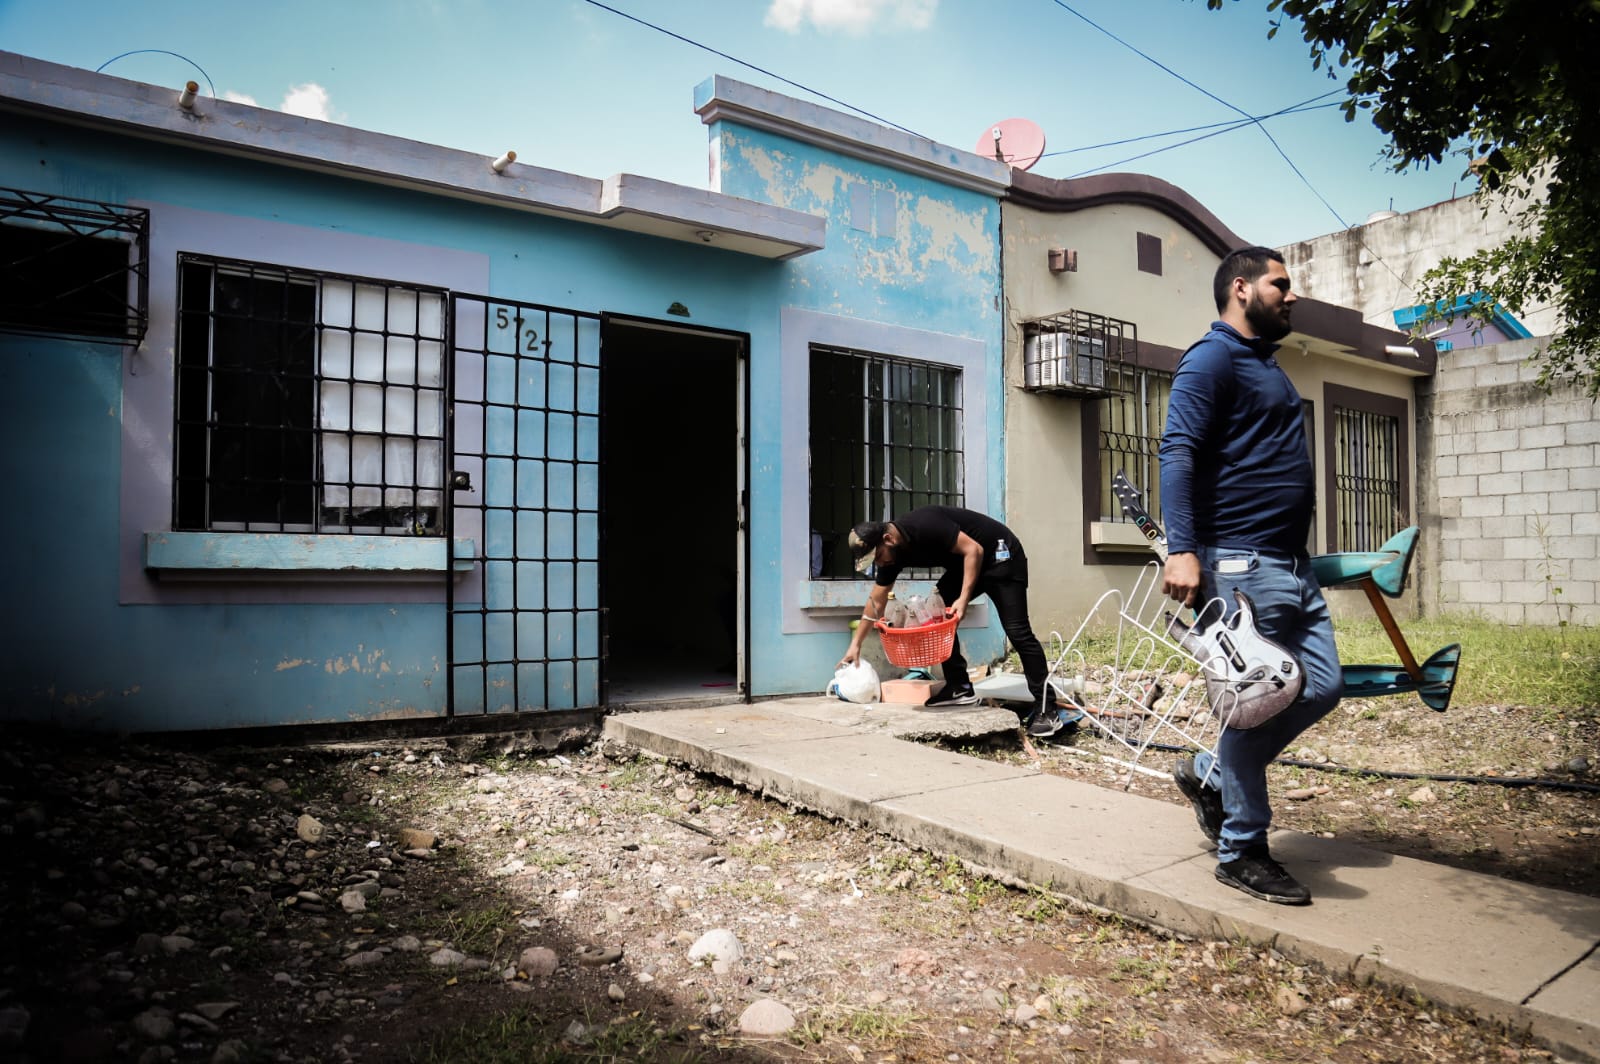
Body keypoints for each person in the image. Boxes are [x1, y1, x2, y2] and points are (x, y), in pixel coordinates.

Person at [1158, 246, 1344, 906]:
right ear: (1241, 289)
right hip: (1241, 565)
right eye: (1280, 284)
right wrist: (1183, 549)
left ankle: (1214, 774)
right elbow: (1177, 451)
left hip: (1290, 563)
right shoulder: (1211, 358)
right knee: (1257, 698)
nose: (1291, 296)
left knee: (1321, 686)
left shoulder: (1264, 364)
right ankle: (1241, 850)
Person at [838, 505, 1080, 737]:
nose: (879, 563)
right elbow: (876, 601)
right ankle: (958, 687)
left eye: (878, 556)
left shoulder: (924, 524)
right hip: (967, 564)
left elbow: (974, 550)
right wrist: (856, 645)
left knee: (1017, 631)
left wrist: (964, 599)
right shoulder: (892, 556)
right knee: (937, 611)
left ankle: (1047, 708)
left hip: (1001, 555)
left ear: (888, 539)